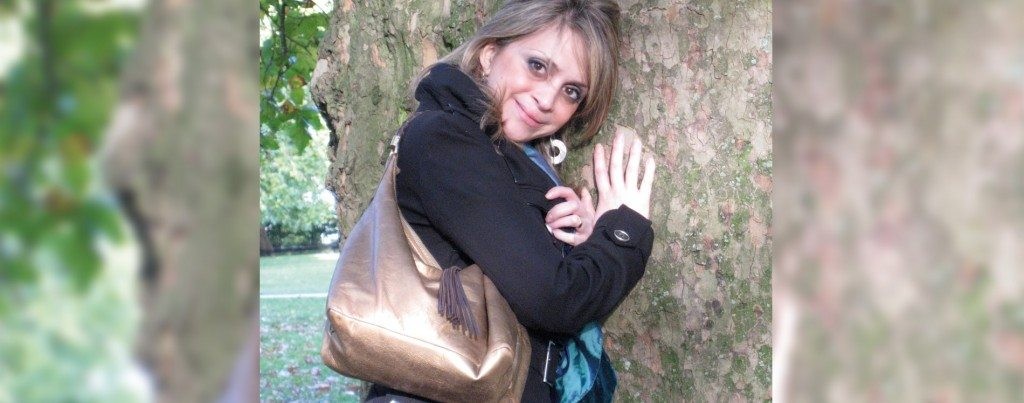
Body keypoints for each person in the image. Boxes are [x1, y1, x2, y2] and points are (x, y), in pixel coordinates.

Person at [367, 1, 656, 401]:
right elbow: (554, 300)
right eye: (538, 66)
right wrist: (623, 234)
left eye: (571, 91)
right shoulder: (445, 140)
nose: (547, 99)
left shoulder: (514, 157)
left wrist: (589, 243)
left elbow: (532, 284)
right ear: (489, 54)